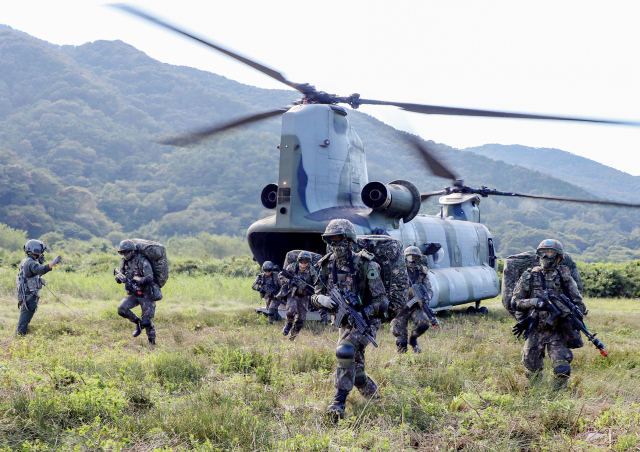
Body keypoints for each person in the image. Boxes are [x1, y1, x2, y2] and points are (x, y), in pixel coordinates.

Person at [312, 219, 389, 419]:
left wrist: (364, 312)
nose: (335, 245)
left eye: (339, 240)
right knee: (355, 370)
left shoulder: (366, 265)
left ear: (349, 240)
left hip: (366, 322)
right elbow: (314, 296)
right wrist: (323, 300)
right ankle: (375, 400)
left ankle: (338, 403)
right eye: (331, 240)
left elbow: (382, 301)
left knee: (345, 351)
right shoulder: (326, 266)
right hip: (344, 323)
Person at [511, 239, 586, 390]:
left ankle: (556, 395)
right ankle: (534, 394)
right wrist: (534, 302)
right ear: (538, 255)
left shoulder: (565, 278)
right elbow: (515, 302)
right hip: (535, 328)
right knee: (532, 370)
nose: (546, 257)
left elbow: (579, 304)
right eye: (543, 253)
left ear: (558, 257)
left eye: (550, 253)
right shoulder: (529, 276)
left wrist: (571, 315)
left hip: (557, 331)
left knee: (562, 370)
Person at [391, 246, 433, 354]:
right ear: (405, 258)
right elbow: (390, 287)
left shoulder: (422, 272)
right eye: (410, 258)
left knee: (423, 323)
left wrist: (426, 298)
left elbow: (429, 289)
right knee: (400, 339)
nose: (413, 260)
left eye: (416, 258)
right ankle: (402, 358)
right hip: (400, 306)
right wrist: (406, 291)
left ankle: (413, 339)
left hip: (415, 306)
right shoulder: (398, 271)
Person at [115, 240, 157, 345]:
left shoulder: (142, 261)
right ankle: (138, 323)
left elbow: (150, 277)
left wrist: (137, 280)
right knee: (121, 310)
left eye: (126, 252)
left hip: (146, 293)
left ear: (133, 251)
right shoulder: (124, 262)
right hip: (133, 293)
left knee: (147, 321)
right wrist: (119, 279)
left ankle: (152, 342)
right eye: (122, 252)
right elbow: (121, 274)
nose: (124, 254)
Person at [15, 240, 62, 336]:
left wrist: (38, 262)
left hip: (26, 294)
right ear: (36, 250)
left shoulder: (26, 261)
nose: (41, 253)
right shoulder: (31, 263)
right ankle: (18, 338)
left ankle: (20, 336)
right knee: (24, 320)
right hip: (29, 296)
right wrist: (53, 262)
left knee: (24, 319)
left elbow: (33, 271)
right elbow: (40, 270)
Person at [278, 251, 316, 340]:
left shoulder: (311, 270)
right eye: (302, 261)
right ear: (298, 260)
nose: (303, 263)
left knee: (300, 320)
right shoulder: (292, 267)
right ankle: (288, 324)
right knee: (291, 310)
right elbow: (281, 275)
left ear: (309, 261)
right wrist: (289, 281)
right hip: (293, 293)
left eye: (306, 261)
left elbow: (316, 282)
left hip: (304, 296)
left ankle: (293, 336)